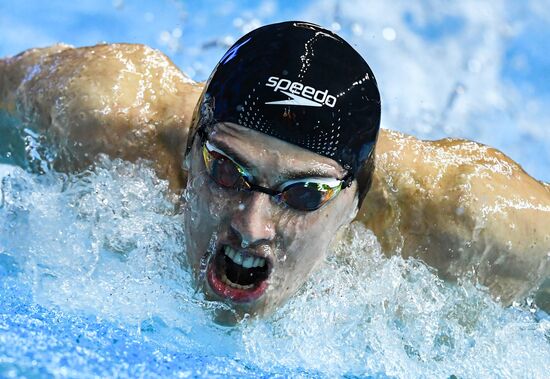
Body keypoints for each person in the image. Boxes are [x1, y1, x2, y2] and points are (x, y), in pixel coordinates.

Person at [1, 22, 548, 318]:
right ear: (190, 151)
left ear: (357, 200)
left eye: (304, 195)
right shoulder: (103, 114)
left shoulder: (472, 223)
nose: (251, 224)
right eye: (227, 173)